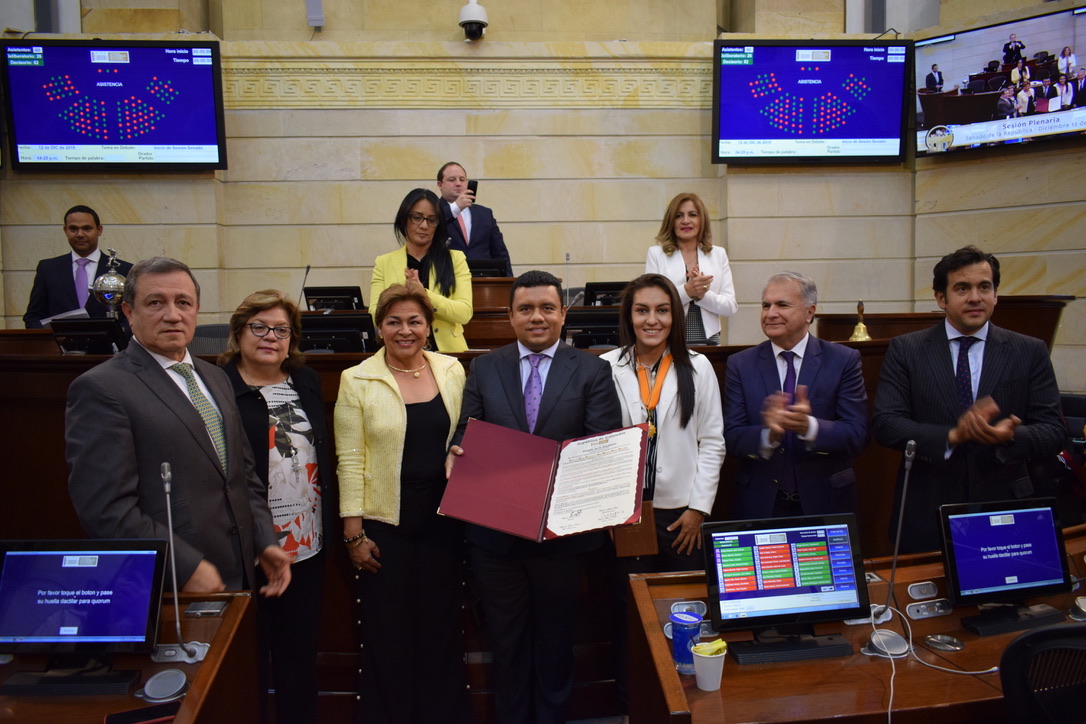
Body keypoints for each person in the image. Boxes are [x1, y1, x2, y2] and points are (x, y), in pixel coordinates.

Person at [447, 270, 621, 724]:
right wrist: (455, 449)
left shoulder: (592, 370)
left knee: (556, 644)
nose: (536, 317)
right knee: (506, 645)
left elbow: (602, 450)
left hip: (561, 541)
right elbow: (468, 429)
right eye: (525, 309)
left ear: (563, 313)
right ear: (510, 316)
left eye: (547, 307)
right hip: (495, 541)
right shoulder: (484, 367)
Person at [65, 257, 293, 595]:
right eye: (156, 302)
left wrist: (264, 539)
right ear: (129, 312)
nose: (173, 314)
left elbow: (242, 477)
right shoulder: (101, 389)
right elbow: (106, 510)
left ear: (196, 309)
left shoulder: (215, 376)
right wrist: (183, 566)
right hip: (173, 587)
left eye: (183, 302)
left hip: (240, 572)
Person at [335, 282, 470, 724]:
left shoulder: (451, 370)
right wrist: (353, 534)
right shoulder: (356, 379)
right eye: (393, 321)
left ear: (430, 327)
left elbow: (464, 434)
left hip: (445, 524)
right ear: (379, 328)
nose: (405, 330)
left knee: (442, 632)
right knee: (389, 637)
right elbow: (349, 459)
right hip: (384, 526)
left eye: (414, 321)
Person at [872, 246, 1064, 554]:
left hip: (1005, 507)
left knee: (1007, 598)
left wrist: (1011, 436)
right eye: (962, 288)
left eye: (984, 287)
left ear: (995, 294)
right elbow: (886, 424)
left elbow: (1054, 430)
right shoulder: (906, 350)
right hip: (927, 510)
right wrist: (951, 436)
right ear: (941, 298)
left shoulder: (1029, 350)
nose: (975, 297)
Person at [218, 289, 333, 724]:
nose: (271, 337)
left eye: (281, 330)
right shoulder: (219, 386)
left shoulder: (305, 380)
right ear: (239, 331)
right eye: (260, 327)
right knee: (245, 661)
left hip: (305, 544)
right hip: (247, 547)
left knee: (298, 657)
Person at [600, 274, 725, 571]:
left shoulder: (698, 366)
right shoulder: (606, 366)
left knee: (680, 602)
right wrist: (605, 512)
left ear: (675, 316)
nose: (652, 320)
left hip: (680, 513)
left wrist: (698, 509)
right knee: (630, 602)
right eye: (642, 310)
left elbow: (712, 442)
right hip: (625, 510)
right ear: (629, 316)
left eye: (663, 310)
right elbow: (598, 446)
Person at [723, 272, 869, 519]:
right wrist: (769, 434)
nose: (770, 313)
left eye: (782, 305)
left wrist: (809, 427)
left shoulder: (843, 360)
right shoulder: (740, 364)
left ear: (810, 312)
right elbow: (732, 436)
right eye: (766, 305)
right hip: (762, 504)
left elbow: (857, 434)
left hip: (826, 502)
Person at [370, 188, 473, 352]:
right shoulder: (384, 262)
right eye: (417, 218)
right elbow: (375, 315)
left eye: (432, 220)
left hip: (447, 353)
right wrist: (402, 296)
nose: (424, 225)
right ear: (404, 219)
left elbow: (464, 313)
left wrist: (423, 294)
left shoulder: (456, 259)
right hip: (399, 350)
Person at [644, 192, 737, 345]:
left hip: (709, 340)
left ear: (701, 220)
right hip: (669, 339)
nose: (685, 221)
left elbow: (730, 307)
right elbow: (651, 302)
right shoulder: (656, 254)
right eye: (679, 216)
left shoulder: (718, 254)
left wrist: (702, 295)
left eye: (692, 215)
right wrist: (687, 291)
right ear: (671, 221)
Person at [24, 205, 134, 328]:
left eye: (87, 228)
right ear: (65, 230)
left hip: (108, 345)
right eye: (73, 229)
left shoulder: (124, 270)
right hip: (60, 345)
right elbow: (33, 317)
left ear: (99, 230)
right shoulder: (48, 269)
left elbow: (133, 315)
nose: (80, 234)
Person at [437, 161, 512, 275]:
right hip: (448, 278)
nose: (458, 183)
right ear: (440, 185)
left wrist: (508, 284)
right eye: (452, 180)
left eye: (462, 179)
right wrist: (456, 207)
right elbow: (434, 225)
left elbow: (500, 252)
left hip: (483, 281)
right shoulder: (432, 211)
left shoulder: (485, 214)